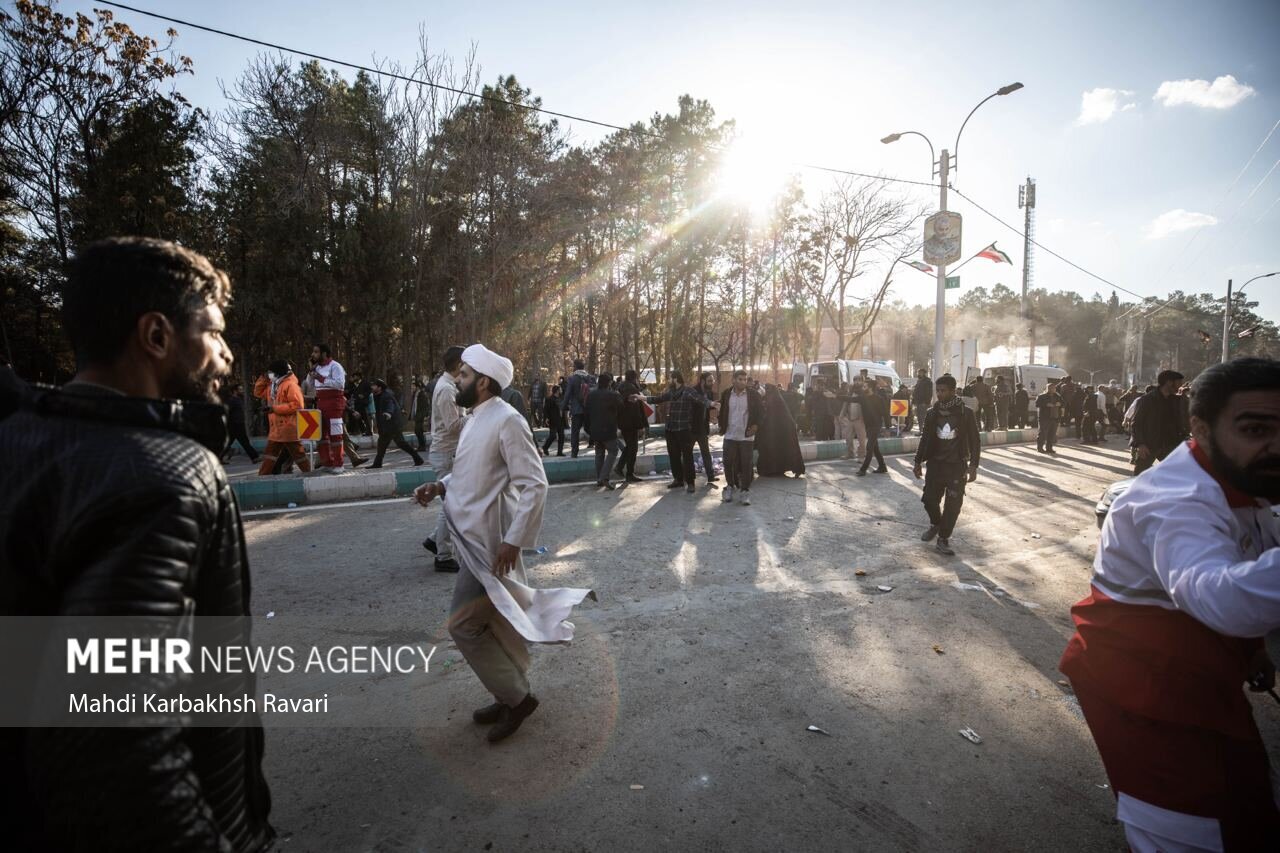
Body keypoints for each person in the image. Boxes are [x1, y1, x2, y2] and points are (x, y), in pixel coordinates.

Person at [0, 237, 273, 850]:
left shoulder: (18, 441)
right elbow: (112, 739)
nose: (226, 354)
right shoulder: (165, 476)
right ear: (156, 336)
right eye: (213, 333)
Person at [1060, 358, 1280, 851]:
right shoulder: (1175, 499)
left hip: (1204, 669)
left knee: (1244, 800)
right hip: (1144, 684)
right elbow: (1218, 594)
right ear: (1199, 427)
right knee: (1186, 822)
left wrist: (1251, 651)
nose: (1277, 444)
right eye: (1256, 428)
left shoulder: (1244, 478)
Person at [412, 344, 593, 743]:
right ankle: (508, 692)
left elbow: (534, 483)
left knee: (463, 626)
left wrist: (514, 541)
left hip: (492, 545)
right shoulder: (476, 418)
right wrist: (439, 485)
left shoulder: (508, 420)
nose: (455, 380)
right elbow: (471, 475)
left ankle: (517, 697)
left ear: (482, 381)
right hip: (473, 539)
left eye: (462, 375)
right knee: (496, 622)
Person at [912, 374, 980, 557]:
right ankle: (936, 523)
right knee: (928, 500)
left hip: (956, 467)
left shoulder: (966, 413)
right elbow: (925, 439)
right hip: (935, 465)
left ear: (952, 390)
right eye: (938, 391)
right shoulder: (932, 413)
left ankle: (943, 538)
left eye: (943, 391)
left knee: (953, 505)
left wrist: (973, 465)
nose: (939, 394)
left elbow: (975, 441)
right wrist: (917, 461)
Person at [425, 345, 468, 572]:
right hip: (446, 452)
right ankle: (442, 555)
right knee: (451, 506)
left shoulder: (450, 387)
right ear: (458, 365)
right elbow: (453, 426)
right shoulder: (446, 390)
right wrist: (476, 414)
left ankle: (434, 540)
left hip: (448, 452)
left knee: (450, 504)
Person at [644, 371, 703, 493]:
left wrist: (712, 403)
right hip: (671, 429)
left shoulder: (688, 391)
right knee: (673, 455)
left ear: (676, 379)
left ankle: (690, 482)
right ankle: (678, 479)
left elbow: (700, 400)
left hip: (684, 428)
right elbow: (658, 399)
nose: (668, 380)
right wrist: (642, 398)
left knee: (687, 456)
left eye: (670, 378)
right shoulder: (670, 392)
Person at [254, 360, 312, 475]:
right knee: (270, 455)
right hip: (276, 429)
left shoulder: (290, 385)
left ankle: (309, 474)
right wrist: (263, 378)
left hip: (288, 428)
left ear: (278, 372)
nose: (269, 374)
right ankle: (262, 477)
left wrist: (274, 409)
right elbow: (258, 392)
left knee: (298, 455)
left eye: (270, 372)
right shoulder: (273, 384)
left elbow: (297, 405)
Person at [718, 369, 763, 505]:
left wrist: (755, 426)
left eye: (745, 379)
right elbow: (723, 411)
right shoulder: (726, 394)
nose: (743, 382)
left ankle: (745, 491)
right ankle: (730, 487)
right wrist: (721, 424)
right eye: (740, 379)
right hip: (730, 434)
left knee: (746, 464)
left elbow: (762, 412)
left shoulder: (753, 395)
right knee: (727, 462)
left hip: (746, 436)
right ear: (734, 380)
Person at [1130, 369, 1188, 475]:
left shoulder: (1176, 401)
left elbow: (1181, 422)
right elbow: (1136, 423)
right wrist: (1141, 444)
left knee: (1177, 474)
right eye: (1179, 383)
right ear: (1169, 382)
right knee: (1140, 476)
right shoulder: (1147, 400)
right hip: (1149, 444)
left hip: (1170, 444)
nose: (1180, 386)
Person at [308, 342, 348, 468]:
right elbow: (309, 384)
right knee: (321, 435)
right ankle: (327, 463)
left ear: (324, 354)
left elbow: (339, 384)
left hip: (334, 404)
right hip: (321, 403)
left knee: (335, 435)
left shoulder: (335, 366)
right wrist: (311, 370)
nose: (313, 354)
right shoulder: (317, 368)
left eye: (316, 352)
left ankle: (338, 464)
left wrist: (321, 378)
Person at [370, 378, 424, 468]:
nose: (372, 387)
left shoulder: (386, 395)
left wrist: (388, 413)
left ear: (379, 387)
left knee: (400, 443)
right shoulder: (378, 395)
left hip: (392, 425)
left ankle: (418, 459)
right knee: (382, 444)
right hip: (387, 425)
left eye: (374, 385)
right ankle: (377, 463)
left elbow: (390, 405)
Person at [756, 383, 806, 477]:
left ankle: (774, 469)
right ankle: (777, 469)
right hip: (778, 431)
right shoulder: (777, 399)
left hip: (779, 431)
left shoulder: (773, 400)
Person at [584, 372, 623, 489]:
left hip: (594, 430)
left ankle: (599, 479)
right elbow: (622, 408)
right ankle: (604, 477)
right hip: (609, 429)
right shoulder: (613, 395)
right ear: (609, 383)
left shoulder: (591, 395)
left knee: (599, 453)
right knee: (613, 451)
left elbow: (586, 413)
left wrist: (588, 429)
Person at [615, 369, 648, 483]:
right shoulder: (632, 389)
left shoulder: (620, 387)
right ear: (634, 378)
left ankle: (620, 468)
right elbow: (636, 410)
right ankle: (629, 473)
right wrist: (641, 425)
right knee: (633, 448)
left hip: (623, 422)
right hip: (631, 423)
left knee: (629, 447)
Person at [691, 372, 720, 486]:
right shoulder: (693, 391)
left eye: (713, 380)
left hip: (702, 428)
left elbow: (709, 406)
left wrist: (712, 417)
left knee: (706, 453)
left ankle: (711, 476)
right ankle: (688, 479)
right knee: (688, 454)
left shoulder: (709, 393)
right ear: (703, 381)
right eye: (710, 381)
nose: (712, 383)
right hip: (692, 428)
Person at [221, 382, 260, 464]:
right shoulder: (231, 400)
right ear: (234, 391)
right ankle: (255, 457)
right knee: (244, 441)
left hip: (238, 423)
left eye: (242, 389)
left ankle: (218, 458)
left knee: (229, 442)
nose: (241, 391)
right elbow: (226, 411)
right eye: (240, 389)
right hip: (234, 424)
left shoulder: (238, 399)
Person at [563, 359, 592, 457]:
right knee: (591, 429)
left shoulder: (572, 378)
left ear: (575, 367)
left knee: (575, 431)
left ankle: (574, 452)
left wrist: (563, 407)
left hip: (577, 410)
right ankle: (602, 445)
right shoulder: (590, 378)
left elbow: (567, 394)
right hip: (588, 409)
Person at [1036, 381, 1064, 454]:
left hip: (1055, 417)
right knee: (1042, 433)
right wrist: (1046, 404)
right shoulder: (1042, 396)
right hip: (1045, 418)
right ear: (1047, 388)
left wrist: (1059, 404)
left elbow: (1063, 403)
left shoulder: (1057, 396)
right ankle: (1040, 448)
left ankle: (1049, 448)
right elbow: (1037, 404)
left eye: (1053, 388)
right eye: (1050, 388)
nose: (1052, 389)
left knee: (1052, 434)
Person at [541, 384, 565, 457]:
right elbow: (546, 410)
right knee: (553, 435)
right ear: (557, 390)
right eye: (560, 389)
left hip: (561, 420)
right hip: (553, 420)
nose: (561, 390)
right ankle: (545, 447)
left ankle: (560, 452)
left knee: (561, 436)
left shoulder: (561, 398)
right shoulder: (550, 399)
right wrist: (546, 418)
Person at [411, 375, 433, 451]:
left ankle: (422, 446)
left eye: (413, 386)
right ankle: (421, 445)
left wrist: (423, 415)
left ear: (417, 387)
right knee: (417, 431)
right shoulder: (415, 394)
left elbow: (425, 406)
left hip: (420, 415)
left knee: (418, 431)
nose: (412, 388)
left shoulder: (422, 394)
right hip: (417, 415)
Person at [911, 369, 934, 434]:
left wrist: (926, 402)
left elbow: (929, 393)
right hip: (918, 402)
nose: (918, 374)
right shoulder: (919, 381)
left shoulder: (927, 381)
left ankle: (925, 431)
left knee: (924, 417)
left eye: (920, 372)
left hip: (924, 403)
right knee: (919, 417)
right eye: (918, 372)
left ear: (924, 373)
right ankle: (921, 430)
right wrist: (913, 402)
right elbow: (916, 392)